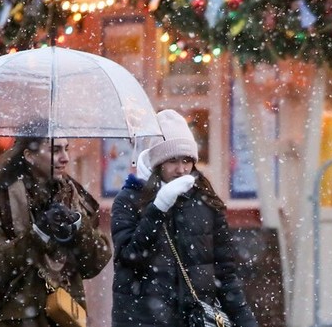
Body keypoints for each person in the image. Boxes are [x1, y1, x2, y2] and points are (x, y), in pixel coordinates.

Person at [110, 109, 259, 327]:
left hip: (195, 320)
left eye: (187, 160)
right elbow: (129, 258)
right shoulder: (129, 199)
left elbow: (225, 273)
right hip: (143, 320)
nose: (181, 170)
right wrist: (159, 207)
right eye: (172, 161)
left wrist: (246, 322)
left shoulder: (205, 200)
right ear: (156, 163)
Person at [0, 135, 112, 327]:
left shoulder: (73, 197)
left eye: (66, 149)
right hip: (15, 320)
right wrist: (38, 234)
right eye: (55, 150)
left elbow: (95, 263)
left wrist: (77, 225)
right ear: (29, 156)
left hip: (65, 317)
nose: (65, 157)